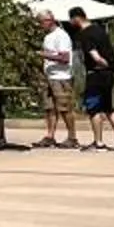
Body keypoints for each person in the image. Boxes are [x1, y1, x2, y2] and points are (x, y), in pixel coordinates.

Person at [70, 9, 114, 151]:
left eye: (71, 19)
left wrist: (102, 63)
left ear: (77, 18)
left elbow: (95, 55)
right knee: (109, 108)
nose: (71, 22)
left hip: (96, 75)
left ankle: (99, 143)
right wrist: (109, 67)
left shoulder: (85, 34)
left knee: (94, 109)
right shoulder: (99, 30)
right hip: (109, 75)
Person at [37, 14, 78, 147]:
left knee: (64, 108)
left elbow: (65, 58)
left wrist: (44, 55)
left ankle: (72, 137)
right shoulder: (47, 36)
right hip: (49, 76)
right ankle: (50, 136)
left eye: (41, 22)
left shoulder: (61, 36)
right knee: (49, 108)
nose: (40, 25)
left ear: (50, 21)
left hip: (61, 77)